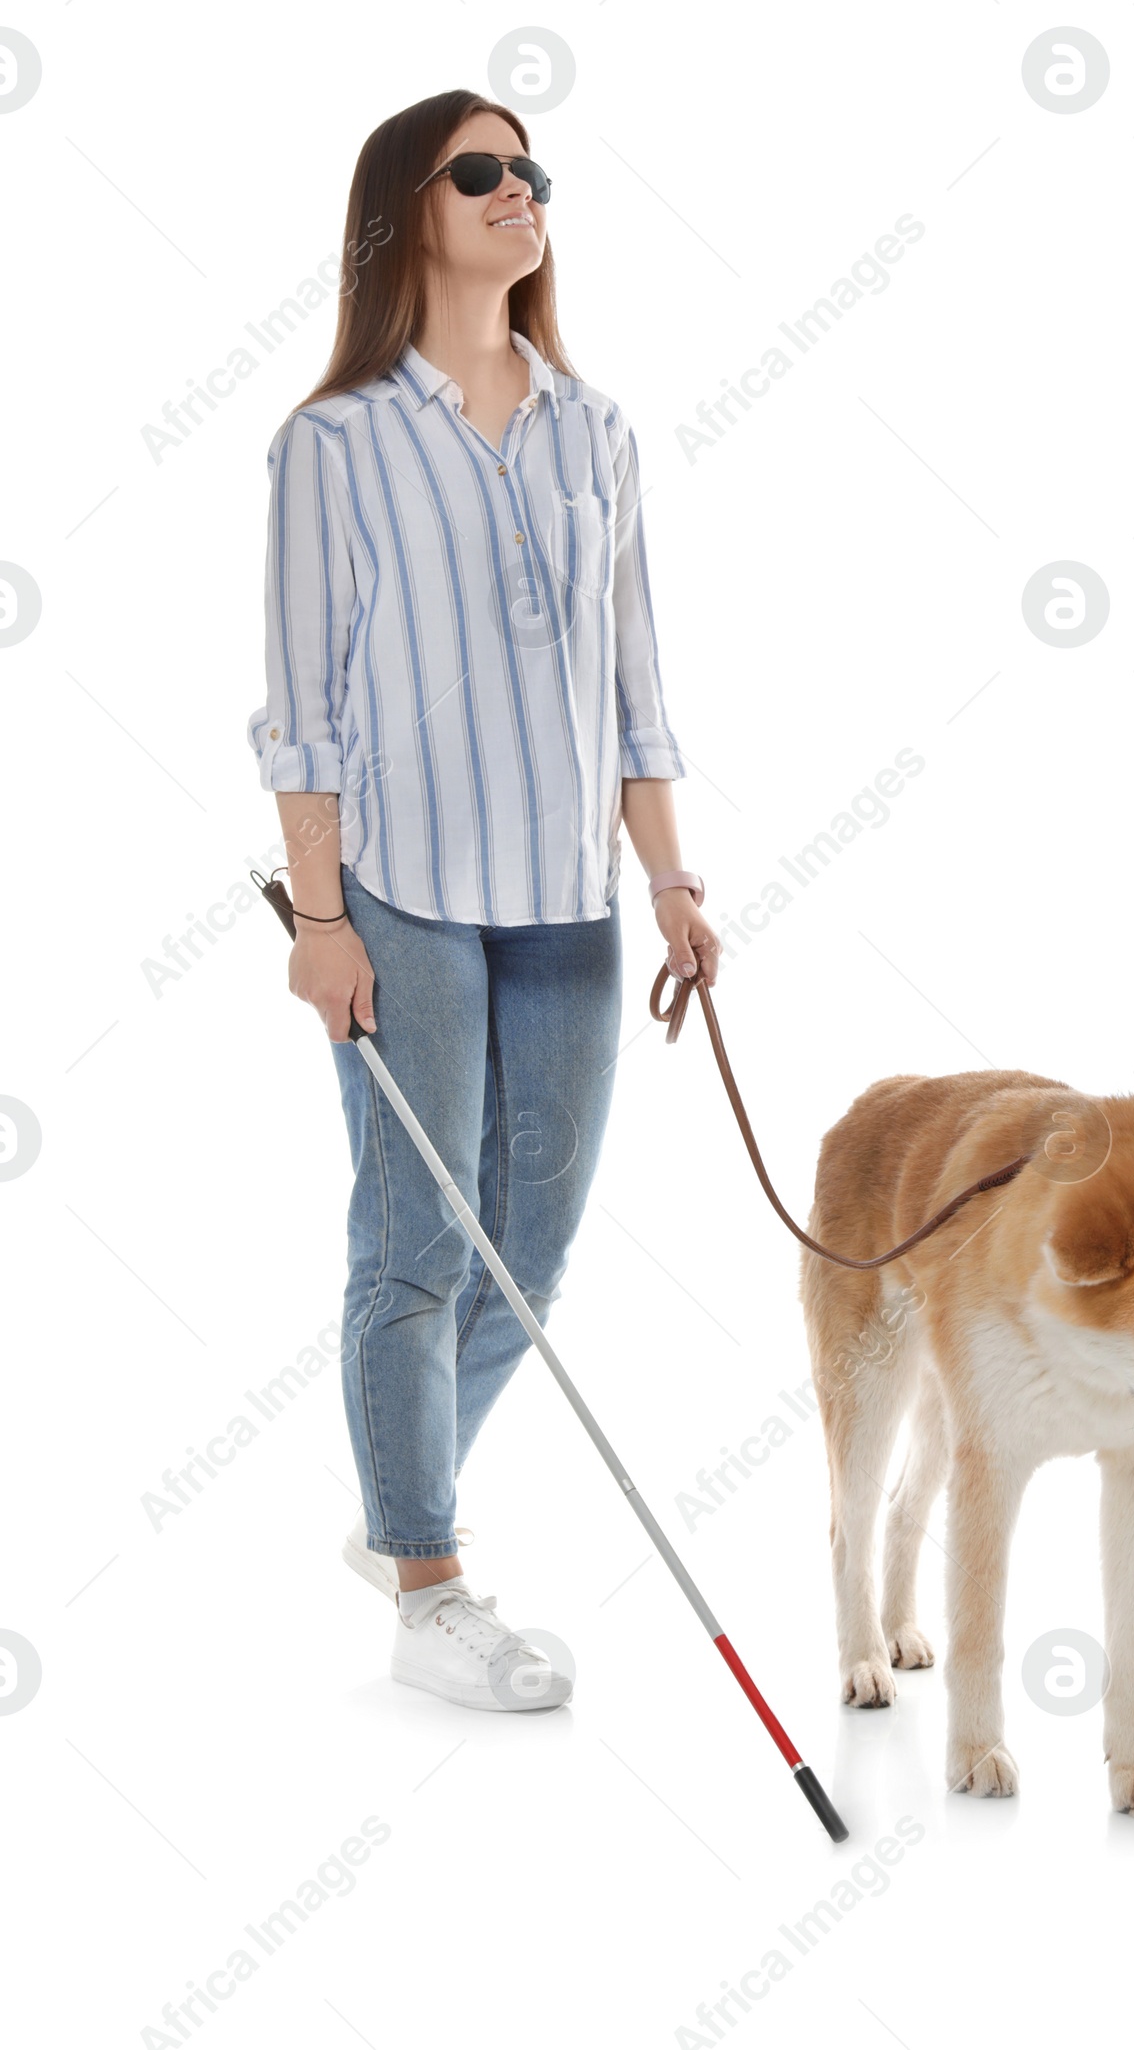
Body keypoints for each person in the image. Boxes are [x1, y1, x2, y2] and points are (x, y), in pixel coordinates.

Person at [246, 87, 719, 1712]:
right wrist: (322, 923)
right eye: (483, 169)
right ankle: (430, 1580)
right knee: (419, 1237)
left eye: (533, 170)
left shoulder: (598, 431)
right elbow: (301, 706)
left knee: (532, 1242)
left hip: (569, 906)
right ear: (409, 214)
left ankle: (394, 1496)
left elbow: (637, 689)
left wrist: (671, 882)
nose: (522, 190)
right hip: (406, 895)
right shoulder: (335, 442)